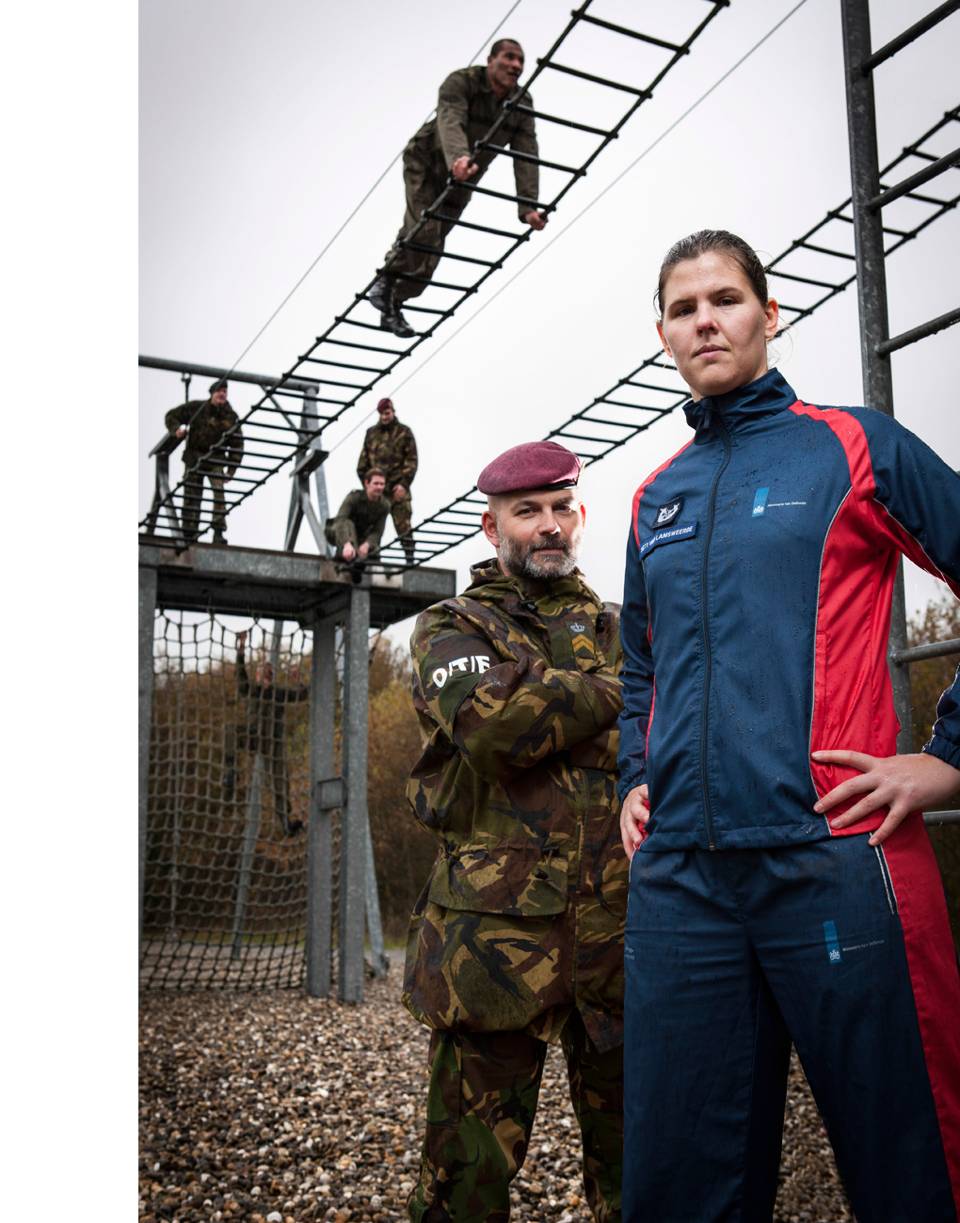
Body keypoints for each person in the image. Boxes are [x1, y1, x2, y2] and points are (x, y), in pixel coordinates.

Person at [618, 229, 960, 1222]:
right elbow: (640, 664)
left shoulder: (856, 444)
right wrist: (634, 774)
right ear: (662, 334)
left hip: (837, 855)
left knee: (914, 1168)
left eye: (725, 299)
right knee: (678, 1186)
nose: (705, 321)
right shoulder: (655, 495)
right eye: (683, 309)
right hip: (683, 882)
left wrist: (946, 759)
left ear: (770, 315)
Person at [404, 440, 626, 1222]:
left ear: (581, 514)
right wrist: (617, 696)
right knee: (465, 1186)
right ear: (491, 526)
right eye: (527, 511)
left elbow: (674, 735)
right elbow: (495, 726)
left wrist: (558, 703)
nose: (549, 525)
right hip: (493, 948)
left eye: (561, 507)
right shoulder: (449, 624)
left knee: (646, 1177)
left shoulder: (620, 626)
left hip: (622, 942)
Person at [370, 38, 548, 338]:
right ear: (490, 60)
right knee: (425, 229)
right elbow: (450, 120)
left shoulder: (520, 103)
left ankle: (393, 300)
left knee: (432, 250)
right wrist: (458, 158)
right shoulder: (462, 82)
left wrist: (528, 206)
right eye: (509, 57)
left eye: (520, 60)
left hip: (465, 177)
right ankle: (386, 281)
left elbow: (526, 153)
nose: (516, 66)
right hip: (427, 161)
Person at [227, 630, 310, 837]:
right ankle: (229, 773)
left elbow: (303, 694)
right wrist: (241, 649)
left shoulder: (278, 693)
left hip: (273, 741)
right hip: (255, 736)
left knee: (281, 780)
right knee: (230, 730)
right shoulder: (252, 690)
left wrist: (297, 680)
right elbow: (240, 676)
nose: (266, 674)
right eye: (263, 672)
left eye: (269, 672)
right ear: (257, 676)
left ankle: (286, 824)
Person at [164, 377, 244, 545]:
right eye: (219, 391)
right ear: (212, 394)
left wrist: (231, 470)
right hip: (194, 457)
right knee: (192, 495)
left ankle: (218, 532)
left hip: (216, 459)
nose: (222, 394)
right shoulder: (197, 408)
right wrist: (176, 430)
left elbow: (237, 444)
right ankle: (189, 533)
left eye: (225, 391)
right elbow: (171, 416)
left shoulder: (231, 417)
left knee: (219, 494)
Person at [356, 397, 419, 563]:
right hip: (377, 490)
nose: (385, 416)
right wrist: (369, 486)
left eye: (387, 413)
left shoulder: (404, 432)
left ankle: (410, 558)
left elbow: (412, 461)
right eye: (382, 414)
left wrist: (403, 485)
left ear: (392, 412)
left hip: (398, 488)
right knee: (373, 526)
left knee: (403, 525)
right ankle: (372, 559)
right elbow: (362, 464)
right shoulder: (371, 433)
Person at [324, 468, 390, 564]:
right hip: (339, 531)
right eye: (376, 483)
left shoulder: (384, 505)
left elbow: (378, 531)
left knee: (374, 550)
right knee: (348, 524)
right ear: (367, 483)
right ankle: (345, 557)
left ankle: (363, 562)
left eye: (382, 484)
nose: (379, 487)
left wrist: (367, 545)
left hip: (361, 536)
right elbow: (340, 520)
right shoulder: (354, 497)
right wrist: (347, 544)